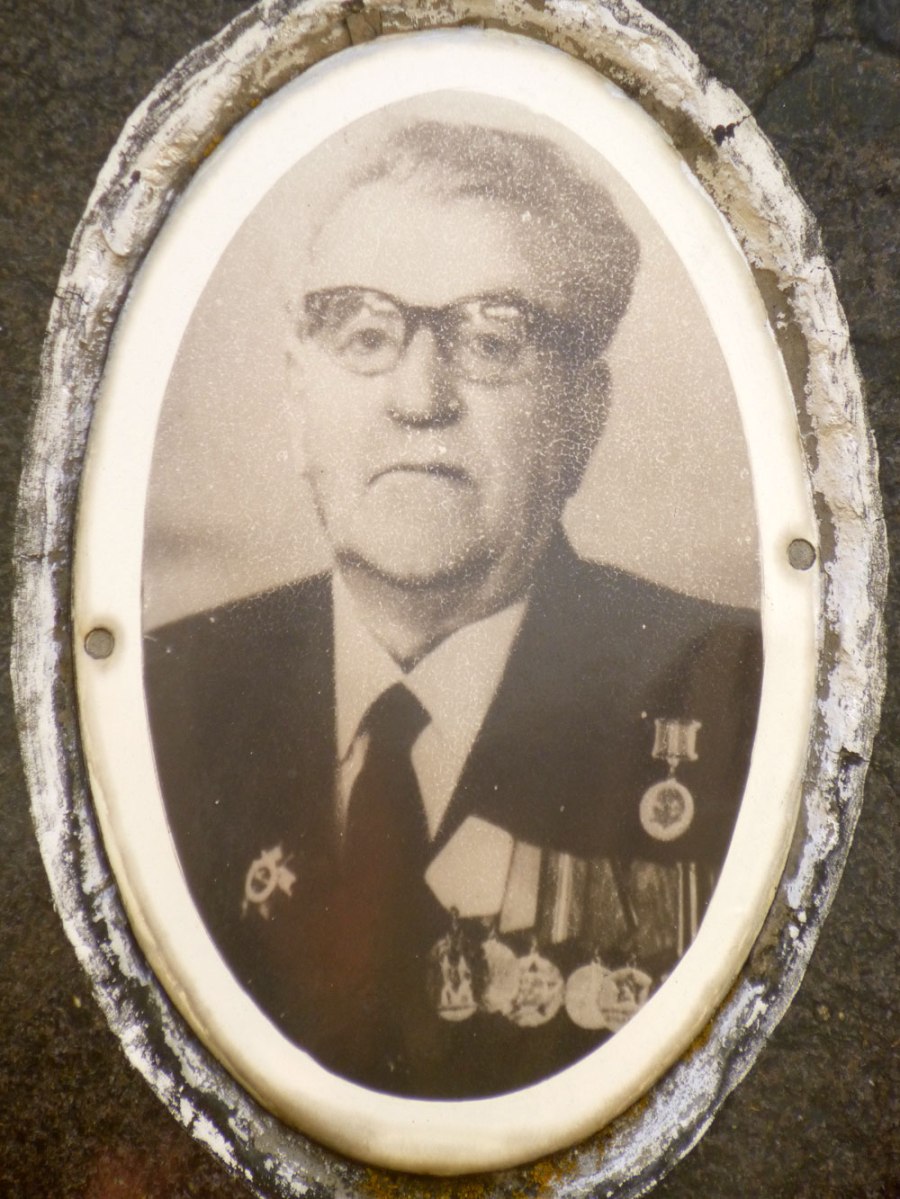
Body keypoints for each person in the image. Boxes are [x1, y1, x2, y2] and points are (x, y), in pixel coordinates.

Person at [144, 119, 762, 1099]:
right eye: (365, 333)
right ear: (298, 395)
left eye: (491, 338)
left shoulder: (735, 700)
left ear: (582, 414)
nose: (420, 396)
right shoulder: (161, 689)